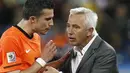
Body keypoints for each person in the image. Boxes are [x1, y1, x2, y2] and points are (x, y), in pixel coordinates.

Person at [0, 0, 59, 73]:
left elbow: (33, 68)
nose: (51, 23)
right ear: (33, 19)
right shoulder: (10, 39)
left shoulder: (36, 37)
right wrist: (42, 60)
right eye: (47, 19)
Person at [58, 7, 119, 73]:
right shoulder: (70, 53)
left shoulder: (106, 53)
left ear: (89, 31)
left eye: (76, 27)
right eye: (68, 26)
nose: (70, 31)